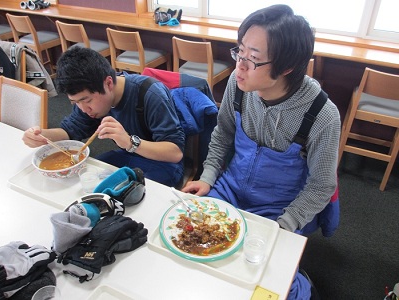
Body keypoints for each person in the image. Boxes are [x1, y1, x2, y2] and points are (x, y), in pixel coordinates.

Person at [182, 4, 340, 300]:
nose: (239, 66)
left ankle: (299, 276)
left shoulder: (322, 115)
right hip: (230, 188)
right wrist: (208, 176)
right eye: (239, 52)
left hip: (279, 207)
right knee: (191, 245)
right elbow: (223, 134)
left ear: (287, 68)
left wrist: (285, 224)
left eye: (252, 59)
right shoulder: (238, 84)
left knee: (265, 283)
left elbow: (322, 185)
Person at [22, 46, 185, 187]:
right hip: (128, 155)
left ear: (108, 83)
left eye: (87, 100)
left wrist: (129, 142)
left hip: (163, 163)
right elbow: (71, 130)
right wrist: (42, 135)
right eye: (75, 102)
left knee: (128, 195)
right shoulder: (88, 101)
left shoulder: (151, 93)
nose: (84, 108)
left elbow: (175, 153)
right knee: (87, 178)